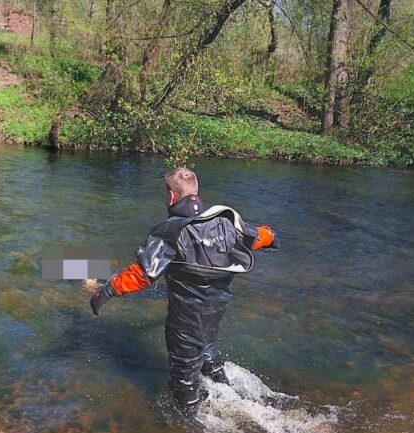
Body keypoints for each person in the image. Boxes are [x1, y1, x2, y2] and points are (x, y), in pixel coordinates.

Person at [90, 167, 279, 417]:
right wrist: (272, 237)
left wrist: (106, 292)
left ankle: (190, 426)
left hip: (185, 318)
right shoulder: (226, 221)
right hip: (216, 310)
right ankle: (228, 391)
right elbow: (261, 237)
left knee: (184, 377)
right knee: (207, 349)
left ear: (171, 197)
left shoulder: (170, 231)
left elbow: (143, 274)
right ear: (196, 192)